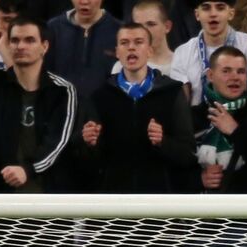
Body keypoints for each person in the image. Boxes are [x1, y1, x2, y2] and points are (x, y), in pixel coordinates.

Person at [0, 8, 83, 192]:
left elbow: (57, 143)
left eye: (29, 40)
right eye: (14, 40)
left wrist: (28, 170)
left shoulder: (62, 90)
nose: (20, 46)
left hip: (46, 198)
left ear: (44, 46)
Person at [82, 22, 197, 191]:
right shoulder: (100, 96)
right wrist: (89, 143)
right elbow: (91, 163)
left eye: (138, 42)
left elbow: (188, 154)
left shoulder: (172, 91)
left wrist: (162, 142)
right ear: (117, 52)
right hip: (115, 200)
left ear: (150, 50)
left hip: (159, 200)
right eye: (124, 43)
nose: (131, 48)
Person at [192, 44, 247, 191]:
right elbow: (177, 164)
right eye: (226, 71)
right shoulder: (194, 115)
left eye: (241, 72)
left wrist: (235, 131)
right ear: (211, 76)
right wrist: (198, 178)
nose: (235, 77)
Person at [170, 0, 247, 100]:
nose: (213, 14)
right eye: (206, 8)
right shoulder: (182, 52)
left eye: (220, 8)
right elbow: (180, 102)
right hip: (195, 114)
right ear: (197, 15)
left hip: (242, 114)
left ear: (231, 14)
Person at [44, 0, 124, 97]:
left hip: (105, 108)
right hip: (60, 107)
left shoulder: (120, 32)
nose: (85, 1)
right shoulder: (52, 29)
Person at [130, 0, 177, 72]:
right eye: (138, 26)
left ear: (167, 26)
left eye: (151, 24)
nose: (144, 31)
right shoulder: (123, 67)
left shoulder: (185, 64)